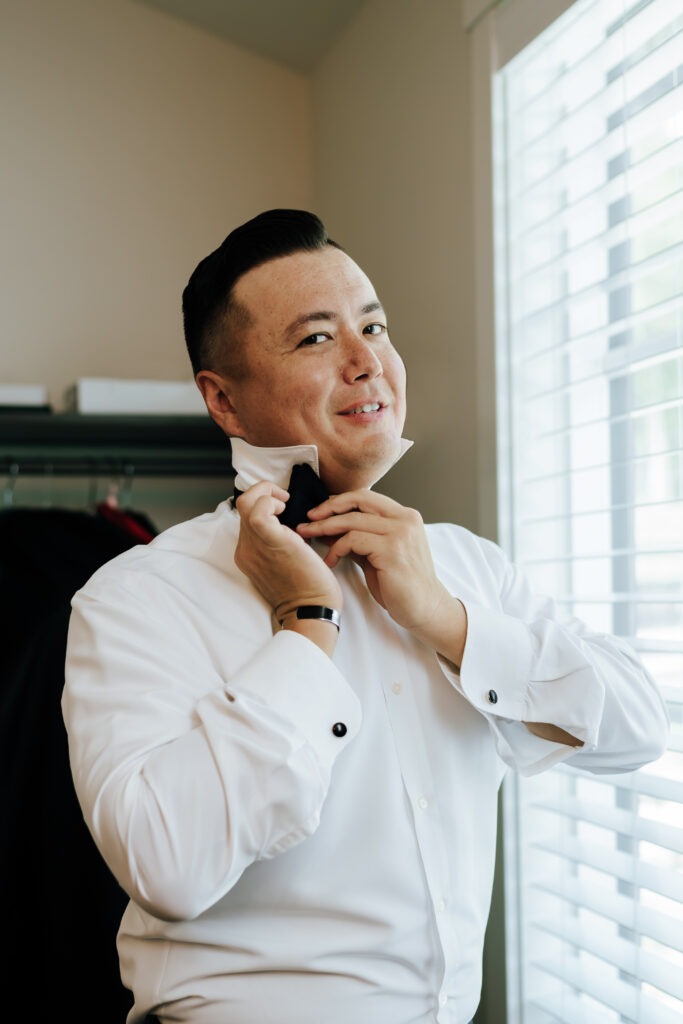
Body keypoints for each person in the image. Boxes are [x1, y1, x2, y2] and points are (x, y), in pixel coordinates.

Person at [63, 209, 669, 1024]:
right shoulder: (134, 598)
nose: (366, 362)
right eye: (316, 339)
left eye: (374, 326)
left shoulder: (467, 568)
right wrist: (306, 621)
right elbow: (167, 868)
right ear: (225, 401)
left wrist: (448, 621)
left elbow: (639, 726)